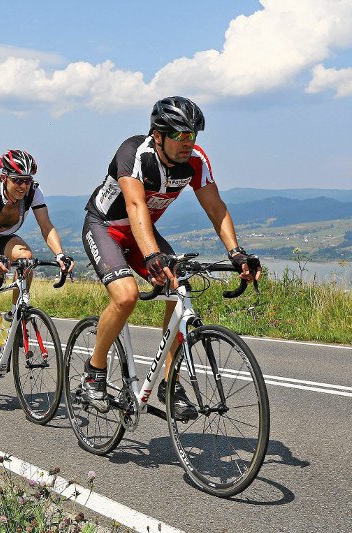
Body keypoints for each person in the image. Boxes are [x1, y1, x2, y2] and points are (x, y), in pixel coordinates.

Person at [81, 96, 262, 420]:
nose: (187, 143)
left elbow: (216, 208)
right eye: (179, 135)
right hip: (106, 227)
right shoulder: (136, 153)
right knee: (126, 297)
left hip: (142, 232)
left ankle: (169, 382)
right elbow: (135, 205)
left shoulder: (196, 161)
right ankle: (94, 371)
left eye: (192, 135)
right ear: (158, 134)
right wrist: (152, 256)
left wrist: (236, 253)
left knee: (180, 285)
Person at [0, 149, 74, 402]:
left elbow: (47, 226)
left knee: (26, 259)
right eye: (17, 180)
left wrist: (60, 254)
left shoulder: (33, 192)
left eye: (27, 179)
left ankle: (16, 315)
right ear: (4, 177)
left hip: (4, 238)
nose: (23, 185)